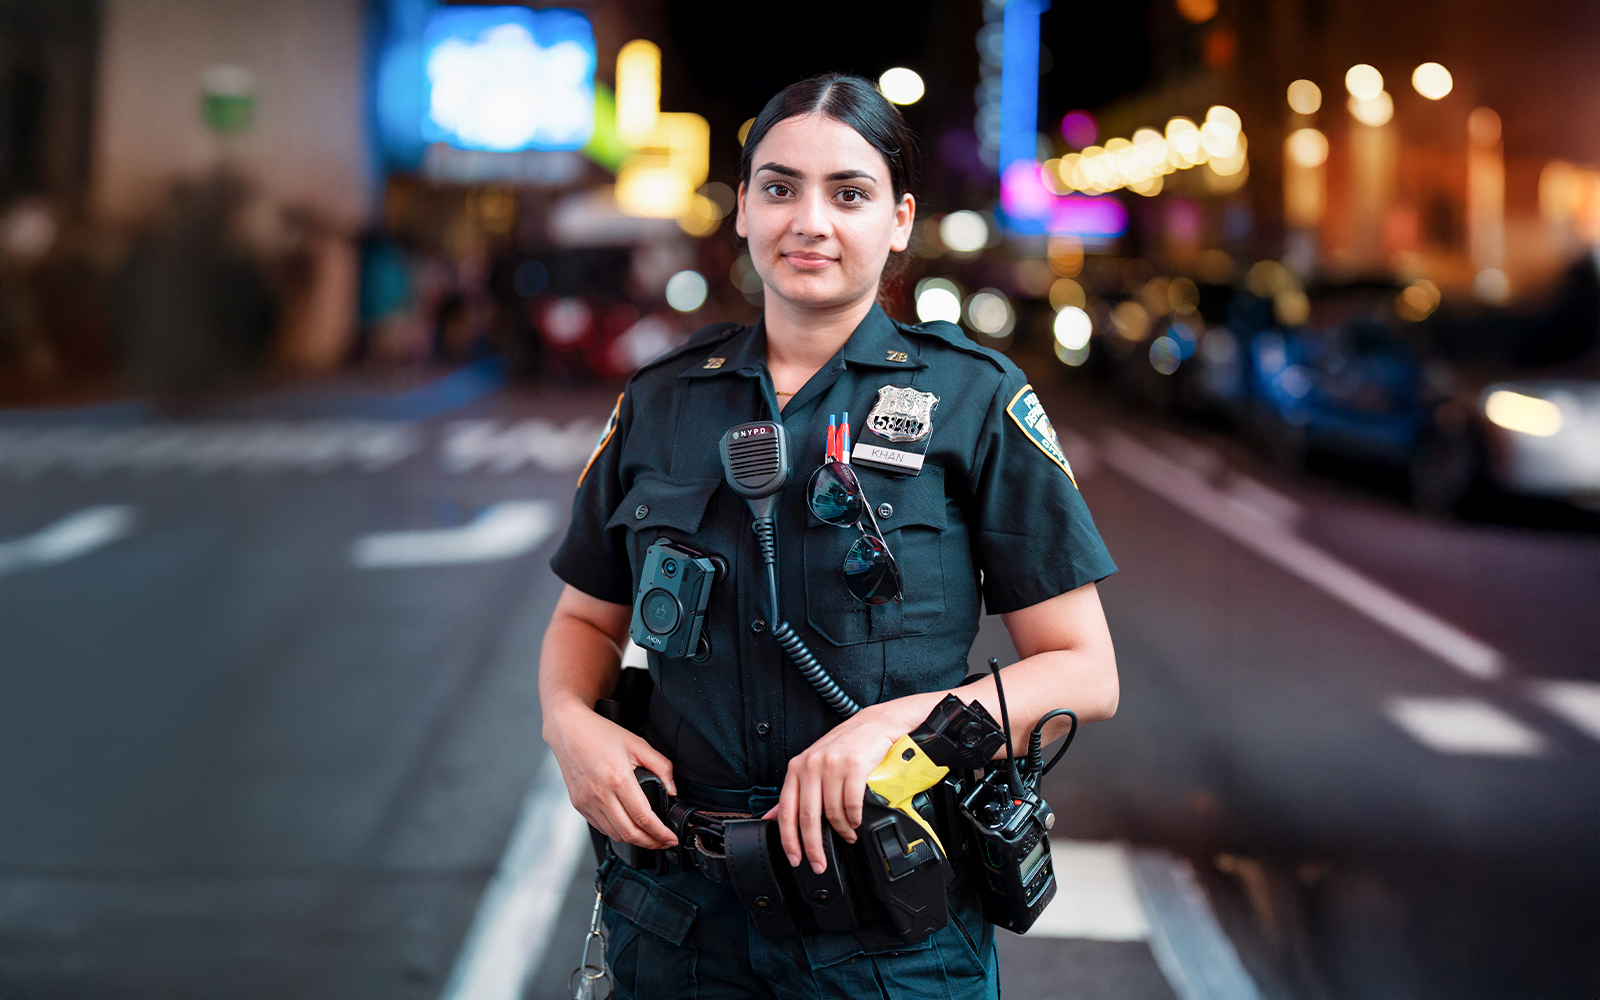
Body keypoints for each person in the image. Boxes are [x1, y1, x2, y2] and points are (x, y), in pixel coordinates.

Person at [541, 73, 1119, 1000]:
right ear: (741, 210)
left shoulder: (971, 398)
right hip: (680, 923)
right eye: (779, 187)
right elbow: (585, 620)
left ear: (898, 220)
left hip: (889, 927)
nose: (809, 220)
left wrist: (902, 730)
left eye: (849, 193)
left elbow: (1084, 671)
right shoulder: (660, 402)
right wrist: (570, 723)